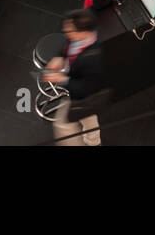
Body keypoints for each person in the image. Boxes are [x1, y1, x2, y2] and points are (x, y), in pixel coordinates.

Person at [42, 9, 107, 145]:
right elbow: (68, 45)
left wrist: (62, 79)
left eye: (69, 31)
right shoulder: (77, 38)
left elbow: (86, 89)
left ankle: (94, 143)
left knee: (89, 123)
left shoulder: (94, 58)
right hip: (76, 93)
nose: (66, 32)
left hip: (87, 98)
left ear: (83, 33)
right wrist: (60, 57)